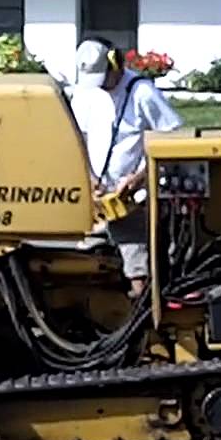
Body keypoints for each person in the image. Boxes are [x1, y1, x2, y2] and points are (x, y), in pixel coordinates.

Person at [71, 37, 184, 299]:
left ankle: (141, 310)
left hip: (134, 196)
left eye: (104, 80)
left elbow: (172, 141)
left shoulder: (142, 93)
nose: (101, 87)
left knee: (136, 260)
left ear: (117, 64)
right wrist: (89, 177)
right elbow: (80, 137)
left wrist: (139, 178)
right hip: (99, 197)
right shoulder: (87, 93)